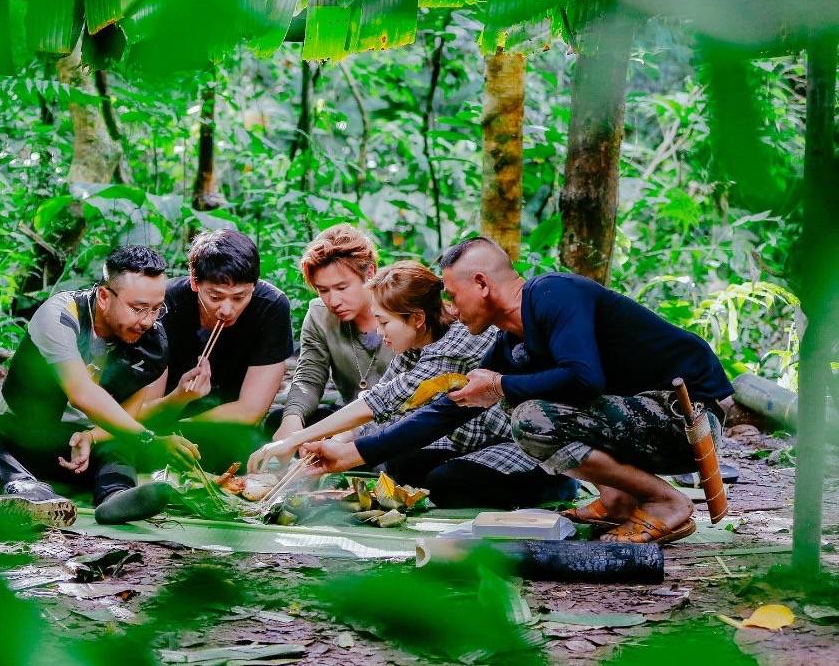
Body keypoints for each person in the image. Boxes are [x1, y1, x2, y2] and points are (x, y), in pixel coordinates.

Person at [305, 237, 733, 545]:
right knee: (527, 409)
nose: (450, 309)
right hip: (641, 418)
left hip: (688, 415)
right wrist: (353, 454)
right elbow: (447, 410)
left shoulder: (554, 294)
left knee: (531, 417)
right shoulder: (510, 342)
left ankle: (666, 502)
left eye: (453, 295)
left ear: (482, 285)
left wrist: (501, 385)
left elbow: (585, 377)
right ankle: (619, 497)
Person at [249, 261, 575, 509]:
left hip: (520, 444)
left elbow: (384, 401)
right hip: (465, 439)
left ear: (416, 318)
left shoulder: (454, 345)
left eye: (384, 322)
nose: (379, 332)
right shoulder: (414, 341)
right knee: (404, 466)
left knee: (445, 484)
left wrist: (295, 441)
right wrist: (328, 442)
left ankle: (554, 485)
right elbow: (379, 401)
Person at [0, 245, 197, 529]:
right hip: (25, 439)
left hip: (84, 451)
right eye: (137, 308)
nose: (147, 320)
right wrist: (149, 439)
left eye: (156, 309)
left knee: (120, 441)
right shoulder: (59, 315)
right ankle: (28, 491)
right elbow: (81, 393)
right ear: (105, 297)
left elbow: (127, 418)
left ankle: (116, 498)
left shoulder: (151, 341)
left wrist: (92, 437)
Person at [146, 229, 294, 469]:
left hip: (225, 425)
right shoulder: (165, 305)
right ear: (195, 282)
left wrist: (183, 429)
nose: (227, 309)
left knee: (248, 448)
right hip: (165, 420)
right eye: (215, 297)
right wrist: (181, 399)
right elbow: (146, 411)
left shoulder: (270, 306)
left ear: (254, 287)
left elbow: (250, 411)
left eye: (239, 297)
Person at [269, 224, 396, 441]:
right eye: (323, 290)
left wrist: (343, 437)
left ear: (370, 273)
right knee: (279, 420)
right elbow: (309, 377)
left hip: (400, 420)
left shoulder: (403, 311)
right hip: (348, 419)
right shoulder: (320, 314)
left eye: (342, 287)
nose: (333, 301)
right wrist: (293, 420)